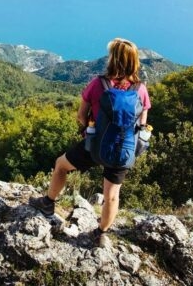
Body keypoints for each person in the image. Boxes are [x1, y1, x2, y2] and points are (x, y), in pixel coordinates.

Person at [29, 38, 151, 247]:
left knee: (61, 165)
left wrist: (91, 128)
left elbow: (80, 116)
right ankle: (101, 233)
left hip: (94, 147)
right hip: (122, 151)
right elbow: (142, 124)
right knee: (111, 196)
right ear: (134, 62)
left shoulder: (98, 84)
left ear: (113, 59)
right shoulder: (140, 90)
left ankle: (48, 203)